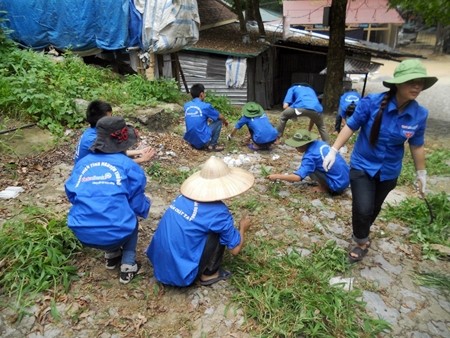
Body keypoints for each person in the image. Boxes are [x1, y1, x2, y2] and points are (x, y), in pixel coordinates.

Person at [322, 59, 438, 263]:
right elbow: (351, 126)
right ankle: (361, 241)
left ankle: (362, 230)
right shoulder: (371, 103)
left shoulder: (419, 114)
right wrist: (333, 150)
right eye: (412, 81)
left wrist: (422, 174)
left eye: (420, 82)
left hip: (389, 171)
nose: (417, 86)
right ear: (398, 83)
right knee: (363, 208)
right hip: (362, 165)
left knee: (373, 209)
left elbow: (417, 145)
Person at [65, 116, 153, 284]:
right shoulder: (129, 166)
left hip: (82, 231)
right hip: (116, 231)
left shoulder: (83, 164)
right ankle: (128, 264)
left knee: (108, 207)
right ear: (123, 142)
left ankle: (111, 256)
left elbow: (72, 194)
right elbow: (137, 205)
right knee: (131, 215)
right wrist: (147, 206)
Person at [146, 156, 254, 287]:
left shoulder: (182, 198)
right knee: (218, 230)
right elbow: (235, 250)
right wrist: (243, 227)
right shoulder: (218, 212)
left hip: (159, 264)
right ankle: (209, 274)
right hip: (182, 276)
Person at [267, 129, 349, 194]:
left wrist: (278, 176)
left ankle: (324, 188)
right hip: (347, 177)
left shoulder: (310, 157)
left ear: (303, 145)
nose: (295, 148)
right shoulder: (320, 143)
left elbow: (298, 177)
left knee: (311, 169)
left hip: (337, 185)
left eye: (297, 146)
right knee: (316, 165)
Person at [74, 100, 155, 164]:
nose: (112, 119)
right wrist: (142, 159)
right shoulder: (94, 140)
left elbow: (114, 152)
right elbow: (114, 163)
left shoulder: (94, 131)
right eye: (110, 117)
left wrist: (139, 152)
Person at [183, 83, 229, 152]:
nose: (205, 95)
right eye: (204, 93)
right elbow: (220, 116)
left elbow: (197, 117)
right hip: (202, 141)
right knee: (219, 121)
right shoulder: (205, 106)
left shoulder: (186, 105)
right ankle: (212, 145)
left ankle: (195, 143)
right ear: (201, 94)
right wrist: (225, 122)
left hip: (191, 141)